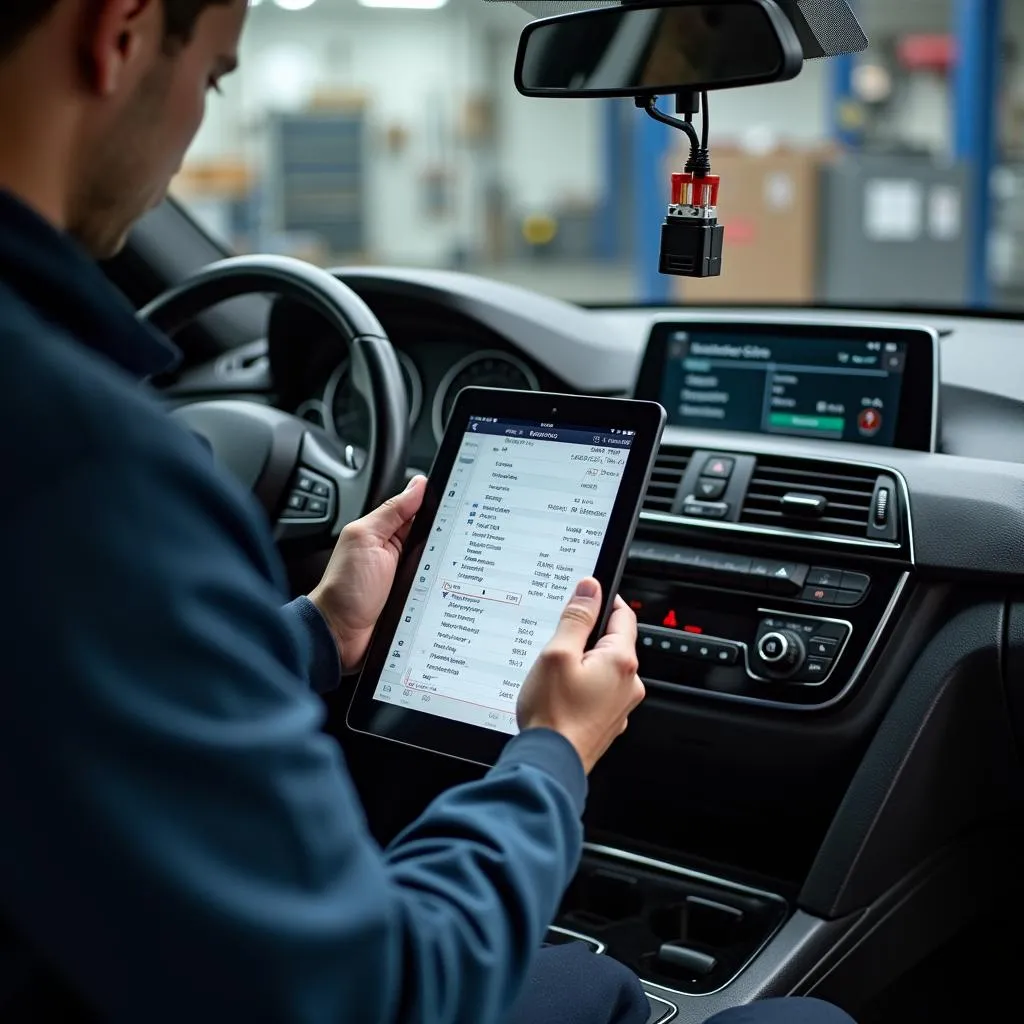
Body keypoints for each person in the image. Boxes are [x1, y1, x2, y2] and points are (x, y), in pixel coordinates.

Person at [0, 3, 857, 1023]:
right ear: (121, 32)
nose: (195, 118)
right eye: (218, 78)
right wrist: (552, 752)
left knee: (588, 980)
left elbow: (94, 710)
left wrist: (320, 631)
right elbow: (386, 988)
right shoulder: (87, 472)